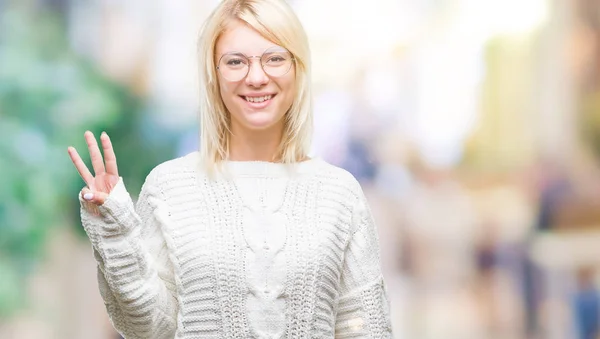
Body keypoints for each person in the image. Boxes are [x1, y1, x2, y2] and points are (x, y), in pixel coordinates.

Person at [67, 0, 392, 338]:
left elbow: (366, 326)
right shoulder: (169, 187)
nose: (256, 77)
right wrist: (117, 234)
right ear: (214, 75)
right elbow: (150, 329)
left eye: (275, 59)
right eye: (235, 62)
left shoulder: (339, 193)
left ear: (298, 69)